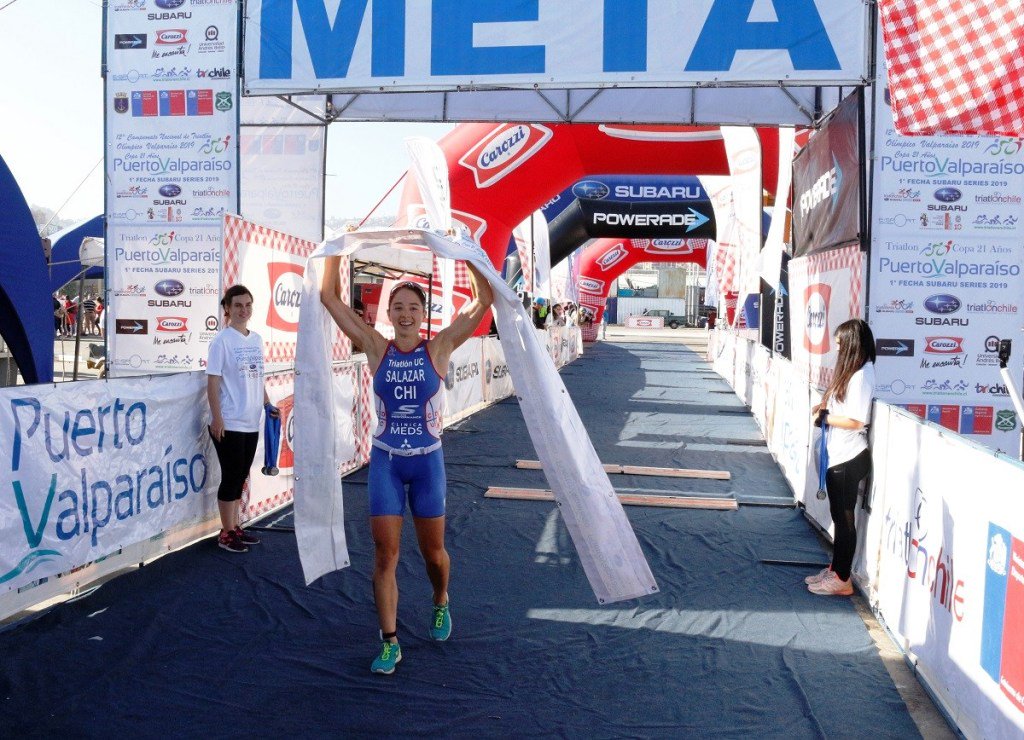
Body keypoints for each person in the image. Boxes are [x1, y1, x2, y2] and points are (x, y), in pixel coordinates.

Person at [320, 257, 494, 675]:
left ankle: (440, 600)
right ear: (389, 313)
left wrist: (465, 251)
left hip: (428, 463)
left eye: (413, 307)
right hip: (386, 462)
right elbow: (330, 297)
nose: (405, 314)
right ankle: (390, 641)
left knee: (433, 553)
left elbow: (482, 298)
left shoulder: (439, 347)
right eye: (398, 307)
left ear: (423, 313)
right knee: (385, 554)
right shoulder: (376, 346)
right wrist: (336, 251)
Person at [206, 285, 280, 554]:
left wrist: (267, 403)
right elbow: (212, 382)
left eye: (248, 305)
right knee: (231, 477)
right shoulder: (221, 341)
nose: (244, 310)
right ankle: (225, 533)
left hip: (251, 420)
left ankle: (234, 526)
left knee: (240, 478)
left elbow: (257, 377)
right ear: (227, 308)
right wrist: (217, 418)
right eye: (238, 305)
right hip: (230, 422)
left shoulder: (256, 339)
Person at [806, 319, 876, 597]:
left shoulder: (862, 376)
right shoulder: (855, 373)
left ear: (851, 345)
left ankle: (842, 579)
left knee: (845, 522)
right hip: (840, 456)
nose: (836, 350)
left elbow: (857, 420)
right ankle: (837, 569)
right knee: (839, 518)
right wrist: (825, 410)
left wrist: (825, 417)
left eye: (839, 345)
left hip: (849, 458)